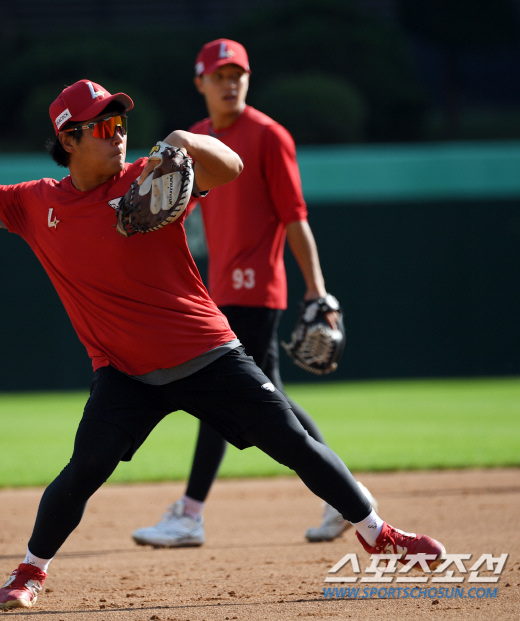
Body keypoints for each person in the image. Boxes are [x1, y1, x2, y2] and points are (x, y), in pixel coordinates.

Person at [0, 78, 445, 611]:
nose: (117, 135)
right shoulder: (39, 204)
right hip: (126, 371)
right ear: (68, 140)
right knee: (86, 466)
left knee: (290, 438)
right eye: (102, 127)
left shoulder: (152, 175)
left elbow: (229, 167)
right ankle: (30, 571)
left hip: (205, 351)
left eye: (120, 124)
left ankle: (378, 533)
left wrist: (185, 141)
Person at [132, 39, 375, 549]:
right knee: (266, 396)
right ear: (200, 82)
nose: (230, 82)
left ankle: (191, 513)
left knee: (221, 389)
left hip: (257, 287)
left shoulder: (268, 135)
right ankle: (345, 497)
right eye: (219, 75)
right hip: (218, 287)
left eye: (237, 73)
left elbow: (295, 218)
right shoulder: (195, 139)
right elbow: (175, 210)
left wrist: (319, 291)